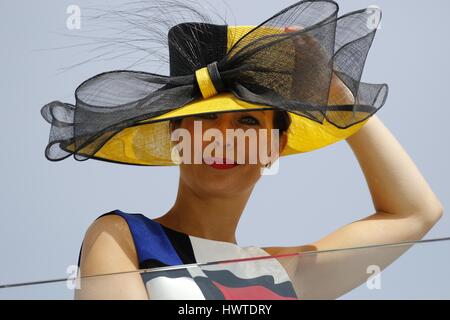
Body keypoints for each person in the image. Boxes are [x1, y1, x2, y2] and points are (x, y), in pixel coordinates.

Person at [40, 1, 443, 299]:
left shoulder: (283, 273)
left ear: (275, 146)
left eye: (248, 122)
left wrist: (337, 95)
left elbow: (416, 212)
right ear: (175, 135)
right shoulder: (122, 235)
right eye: (205, 119)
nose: (223, 136)